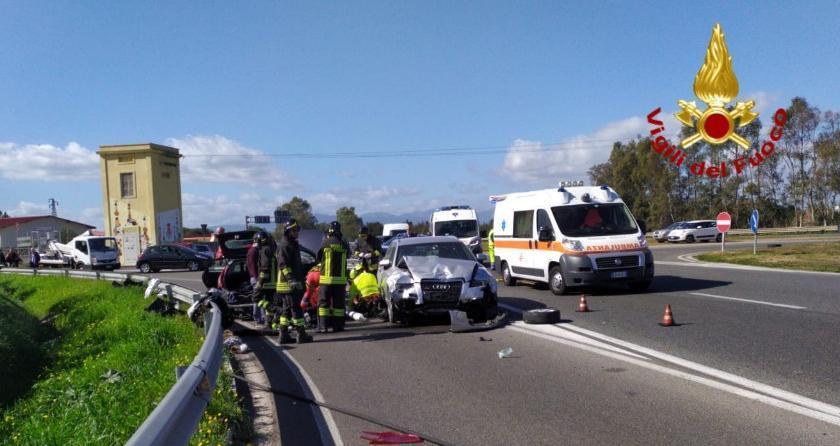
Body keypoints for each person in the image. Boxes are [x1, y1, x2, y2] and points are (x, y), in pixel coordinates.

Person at [274, 219, 312, 344]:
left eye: (297, 230)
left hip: (287, 284)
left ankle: (283, 335)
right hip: (288, 284)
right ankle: (301, 334)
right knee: (296, 309)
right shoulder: (285, 245)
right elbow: (283, 265)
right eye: (294, 230)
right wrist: (291, 279)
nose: (297, 232)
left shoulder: (291, 244)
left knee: (286, 310)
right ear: (287, 231)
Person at [316, 221, 350, 333]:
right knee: (339, 305)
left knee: (323, 304)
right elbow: (349, 255)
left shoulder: (325, 242)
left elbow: (318, 257)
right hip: (340, 281)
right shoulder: (344, 243)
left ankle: (323, 326)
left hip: (326, 279)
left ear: (330, 230)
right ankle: (338, 326)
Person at [247, 232, 265, 325]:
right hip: (256, 278)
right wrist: (258, 278)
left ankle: (259, 317)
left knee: (258, 298)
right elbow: (253, 266)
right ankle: (259, 317)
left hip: (254, 277)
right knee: (259, 298)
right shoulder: (254, 251)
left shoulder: (252, 250)